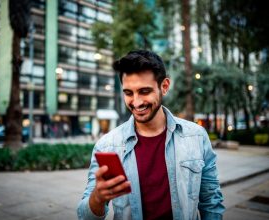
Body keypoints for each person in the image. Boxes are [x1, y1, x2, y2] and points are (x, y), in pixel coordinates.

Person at [77, 50, 225, 220]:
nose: (137, 102)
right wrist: (98, 197)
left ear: (164, 86)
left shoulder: (196, 136)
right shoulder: (107, 145)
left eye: (144, 91)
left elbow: (211, 201)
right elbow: (84, 216)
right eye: (128, 93)